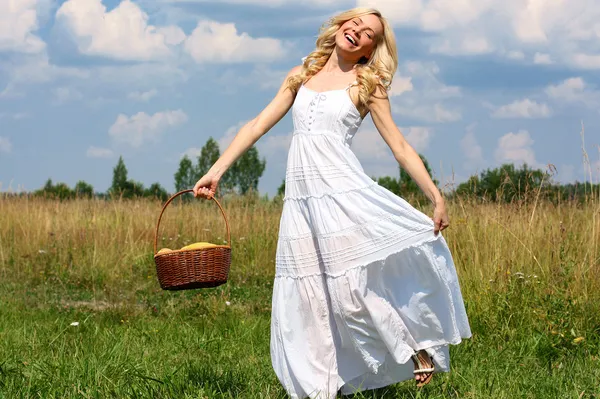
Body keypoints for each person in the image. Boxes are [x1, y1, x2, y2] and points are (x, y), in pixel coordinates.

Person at [193, 7, 471, 398]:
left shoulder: (366, 84)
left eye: (369, 33)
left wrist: (436, 197)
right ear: (341, 26)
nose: (358, 31)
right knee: (306, 301)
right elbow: (257, 125)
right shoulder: (302, 72)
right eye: (354, 23)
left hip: (341, 196)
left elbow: (400, 147)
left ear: (370, 49)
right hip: (301, 204)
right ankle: (318, 389)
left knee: (349, 293)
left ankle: (412, 347)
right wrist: (217, 170)